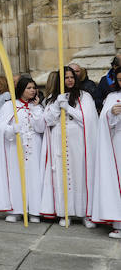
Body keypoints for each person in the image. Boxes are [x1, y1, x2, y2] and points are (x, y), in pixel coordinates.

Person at [39, 66, 97, 227]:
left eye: (72, 77)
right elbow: (48, 120)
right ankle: (66, 211)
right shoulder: (53, 97)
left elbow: (88, 119)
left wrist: (68, 107)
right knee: (63, 175)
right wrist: (58, 105)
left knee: (81, 175)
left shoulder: (84, 97)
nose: (69, 80)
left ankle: (86, 213)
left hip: (78, 141)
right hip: (59, 140)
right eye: (66, 78)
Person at [0, 76, 44, 223]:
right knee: (16, 177)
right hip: (15, 147)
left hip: (34, 147)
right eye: (29, 88)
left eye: (34, 88)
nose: (32, 91)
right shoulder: (10, 106)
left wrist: (37, 109)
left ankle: (34, 210)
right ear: (22, 90)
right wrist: (12, 129)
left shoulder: (37, 106)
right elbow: (1, 128)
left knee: (34, 177)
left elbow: (41, 127)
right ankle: (16, 209)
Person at [93, 68, 121, 238]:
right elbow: (103, 121)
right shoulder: (111, 97)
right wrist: (111, 113)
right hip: (118, 143)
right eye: (119, 79)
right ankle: (118, 222)